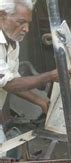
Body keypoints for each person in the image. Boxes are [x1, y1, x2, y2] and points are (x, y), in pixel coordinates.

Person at [0, 0, 55, 128]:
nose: (26, 29)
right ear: (2, 16)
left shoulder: (12, 42)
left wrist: (40, 101)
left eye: (28, 23)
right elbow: (10, 84)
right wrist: (50, 76)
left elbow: (14, 80)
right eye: (21, 22)